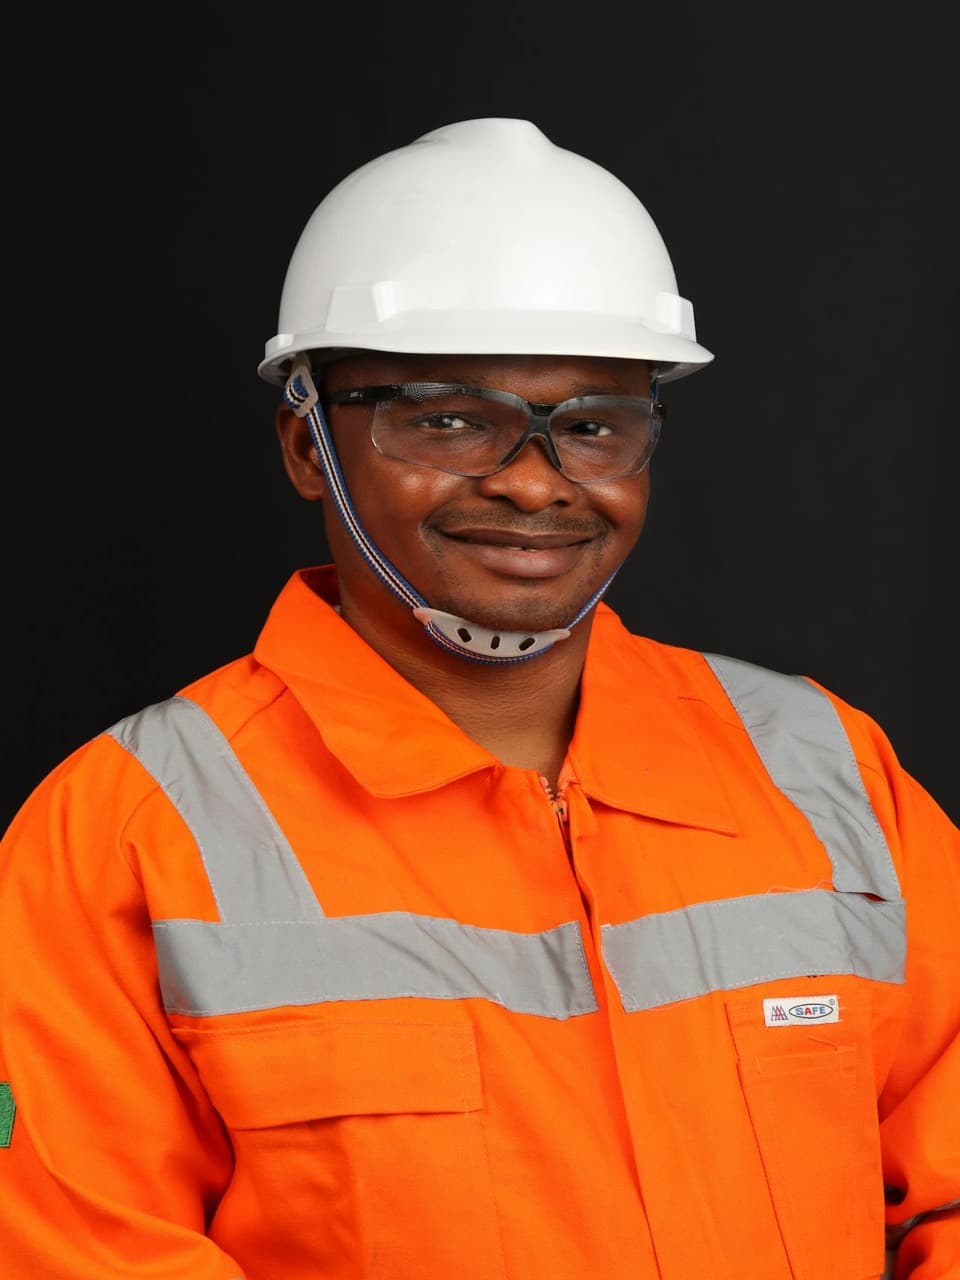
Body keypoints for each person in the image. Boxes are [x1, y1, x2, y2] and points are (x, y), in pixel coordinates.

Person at [0, 117, 957, 1280]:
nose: (532, 480)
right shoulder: (130, 829)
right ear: (309, 445)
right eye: (448, 417)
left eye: (594, 425)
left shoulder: (824, 767)